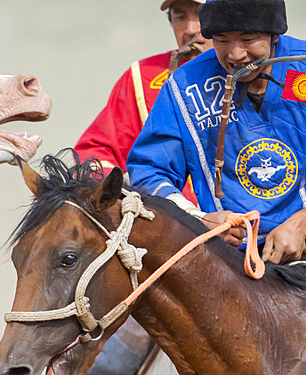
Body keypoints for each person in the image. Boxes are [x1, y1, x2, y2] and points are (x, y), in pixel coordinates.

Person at [65, 0, 211, 375]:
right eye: (178, 17)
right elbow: (94, 151)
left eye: (201, 14)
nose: (191, 29)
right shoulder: (141, 80)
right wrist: (115, 188)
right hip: (159, 246)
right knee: (126, 328)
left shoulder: (279, 78)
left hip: (252, 241)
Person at [128, 0, 305, 262]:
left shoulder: (301, 68)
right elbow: (149, 172)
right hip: (228, 263)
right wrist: (198, 221)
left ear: (275, 35)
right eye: (222, 40)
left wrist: (302, 223)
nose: (235, 54)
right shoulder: (184, 86)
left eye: (248, 39)